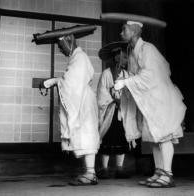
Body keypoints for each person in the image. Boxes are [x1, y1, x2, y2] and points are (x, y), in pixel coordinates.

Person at [113, 20, 186, 188]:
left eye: (123, 30)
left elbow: (150, 75)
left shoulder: (148, 49)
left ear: (133, 32)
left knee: (164, 136)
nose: (120, 33)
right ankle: (159, 172)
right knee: (154, 138)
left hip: (161, 100)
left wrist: (126, 82)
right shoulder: (132, 53)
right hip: (150, 101)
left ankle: (168, 175)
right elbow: (134, 77)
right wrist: (124, 83)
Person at [33, 25, 100, 186]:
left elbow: (71, 82)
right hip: (81, 99)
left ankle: (91, 173)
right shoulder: (76, 57)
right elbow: (70, 82)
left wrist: (56, 81)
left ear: (69, 41)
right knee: (83, 135)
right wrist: (57, 81)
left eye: (61, 46)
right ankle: (89, 172)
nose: (61, 50)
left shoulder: (80, 57)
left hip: (83, 101)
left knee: (87, 135)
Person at [97, 42, 131, 179]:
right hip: (109, 111)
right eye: (122, 57)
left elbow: (129, 91)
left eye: (125, 57)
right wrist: (113, 98)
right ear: (116, 57)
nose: (125, 60)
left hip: (121, 111)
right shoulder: (106, 73)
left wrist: (123, 99)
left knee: (121, 138)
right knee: (107, 139)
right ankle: (104, 169)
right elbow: (100, 92)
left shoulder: (125, 74)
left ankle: (119, 169)